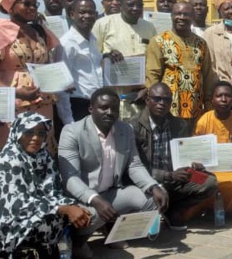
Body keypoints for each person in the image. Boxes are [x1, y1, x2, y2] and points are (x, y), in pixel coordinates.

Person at [57, 88, 168, 256]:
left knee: (153, 199)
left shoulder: (125, 129)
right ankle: (78, 241)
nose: (110, 112)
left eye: (114, 108)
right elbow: (70, 178)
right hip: (81, 199)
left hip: (110, 193)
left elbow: (134, 165)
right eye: (104, 107)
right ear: (91, 108)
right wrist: (94, 199)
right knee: (93, 214)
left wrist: (153, 186)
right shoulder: (72, 132)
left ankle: (113, 230)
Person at [0, 112, 91, 258]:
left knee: (77, 213)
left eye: (41, 133)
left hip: (33, 214)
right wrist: (63, 208)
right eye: (29, 132)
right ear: (17, 132)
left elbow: (54, 192)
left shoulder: (44, 157)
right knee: (53, 218)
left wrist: (70, 207)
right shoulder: (9, 161)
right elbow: (18, 205)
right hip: (3, 227)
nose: (36, 138)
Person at [0, 0, 61, 158]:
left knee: (42, 148)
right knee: (13, 152)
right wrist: (15, 92)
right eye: (26, 4)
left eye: (35, 4)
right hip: (12, 104)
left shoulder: (39, 31)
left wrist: (60, 80)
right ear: (10, 5)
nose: (32, 8)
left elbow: (46, 65)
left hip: (43, 102)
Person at [129, 83, 219, 230]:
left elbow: (185, 156)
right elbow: (136, 167)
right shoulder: (133, 126)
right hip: (148, 181)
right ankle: (154, 211)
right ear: (147, 100)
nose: (161, 104)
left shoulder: (179, 124)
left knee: (209, 182)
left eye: (166, 100)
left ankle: (174, 209)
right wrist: (168, 175)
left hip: (175, 178)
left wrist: (194, 164)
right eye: (157, 99)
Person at [92, 0, 157, 119]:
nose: (136, 8)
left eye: (139, 4)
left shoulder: (149, 28)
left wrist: (147, 89)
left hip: (140, 99)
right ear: (120, 5)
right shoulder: (103, 24)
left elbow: (155, 62)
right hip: (113, 100)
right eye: (131, 4)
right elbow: (92, 58)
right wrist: (106, 56)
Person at [146, 2, 214, 127]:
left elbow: (208, 75)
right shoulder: (159, 41)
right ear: (171, 16)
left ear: (192, 17)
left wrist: (208, 106)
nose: (181, 17)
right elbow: (152, 75)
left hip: (196, 110)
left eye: (186, 14)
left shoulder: (201, 43)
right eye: (178, 14)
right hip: (169, 110)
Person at [194, 82, 232, 214]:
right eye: (219, 96)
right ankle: (208, 210)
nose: (224, 99)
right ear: (212, 100)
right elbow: (197, 151)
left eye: (228, 96)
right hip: (210, 170)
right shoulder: (204, 121)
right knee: (200, 181)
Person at [56, 0, 103, 130]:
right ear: (72, 14)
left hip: (95, 106)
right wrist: (69, 122)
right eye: (82, 12)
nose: (87, 16)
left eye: (91, 12)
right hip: (77, 107)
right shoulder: (66, 43)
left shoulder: (93, 40)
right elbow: (62, 86)